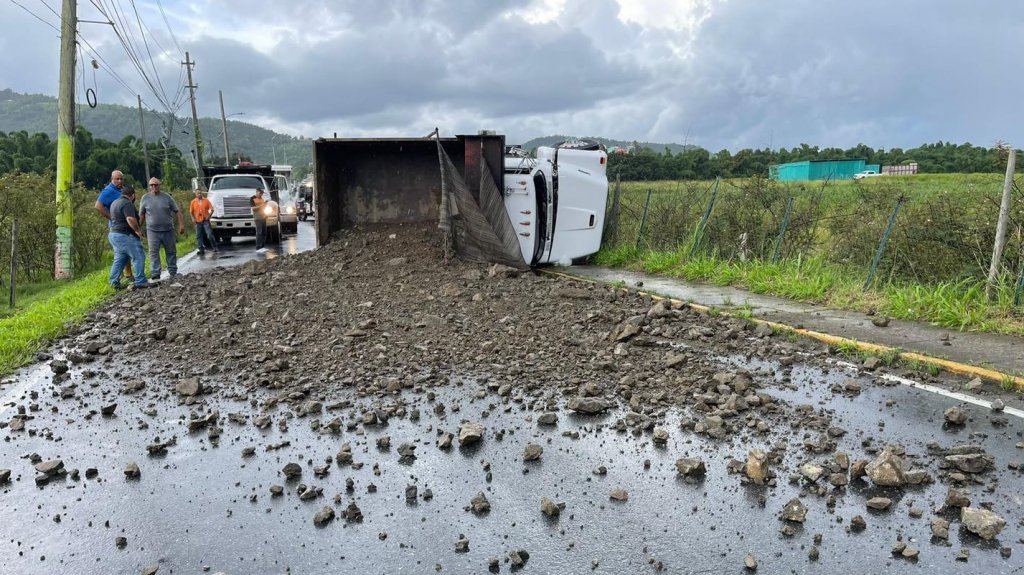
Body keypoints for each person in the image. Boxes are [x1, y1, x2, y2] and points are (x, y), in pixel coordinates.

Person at [139, 177, 185, 279]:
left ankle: (173, 271)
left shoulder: (167, 197)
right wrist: (138, 229)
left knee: (171, 251)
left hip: (168, 229)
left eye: (156, 185)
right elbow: (142, 214)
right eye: (151, 185)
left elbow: (177, 211)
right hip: (152, 231)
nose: (154, 187)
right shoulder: (145, 198)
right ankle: (155, 273)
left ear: (159, 185)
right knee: (153, 252)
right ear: (149, 186)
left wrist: (181, 225)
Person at [107, 186, 150, 290]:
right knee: (138, 256)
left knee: (120, 258)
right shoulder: (127, 203)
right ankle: (140, 281)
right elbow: (130, 219)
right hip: (125, 235)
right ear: (133, 195)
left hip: (113, 234)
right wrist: (138, 231)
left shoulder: (114, 203)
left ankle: (113, 283)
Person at [95, 170, 133, 280]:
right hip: (116, 226)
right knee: (121, 251)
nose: (120, 181)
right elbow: (98, 206)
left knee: (125, 250)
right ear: (112, 179)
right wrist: (112, 217)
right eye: (117, 179)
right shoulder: (108, 191)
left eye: (121, 179)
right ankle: (119, 276)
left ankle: (127, 274)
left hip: (125, 225)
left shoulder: (122, 190)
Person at [189, 188, 218, 255]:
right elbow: (191, 212)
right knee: (199, 236)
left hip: (205, 220)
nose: (199, 194)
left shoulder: (206, 201)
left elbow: (212, 209)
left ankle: (214, 247)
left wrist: (209, 216)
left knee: (209, 234)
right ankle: (201, 249)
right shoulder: (193, 202)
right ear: (195, 194)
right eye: (198, 193)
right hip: (197, 221)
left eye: (200, 193)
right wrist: (193, 219)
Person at [249, 187, 268, 253]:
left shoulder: (261, 198)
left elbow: (263, 207)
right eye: (260, 193)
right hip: (258, 218)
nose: (261, 194)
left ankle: (263, 246)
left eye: (262, 193)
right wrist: (262, 205)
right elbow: (253, 209)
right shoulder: (252, 198)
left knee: (264, 232)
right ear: (257, 191)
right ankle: (258, 247)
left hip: (263, 217)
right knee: (259, 232)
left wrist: (265, 205)